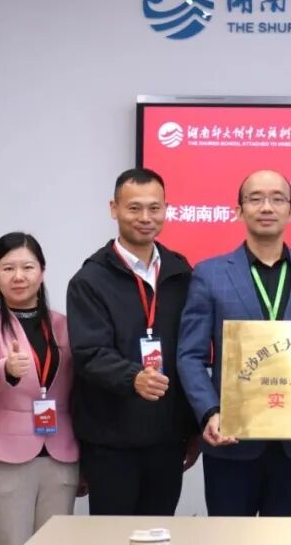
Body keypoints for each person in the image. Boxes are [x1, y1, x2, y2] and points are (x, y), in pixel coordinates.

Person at [177, 169, 291, 516]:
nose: (266, 207)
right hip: (231, 437)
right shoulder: (210, 273)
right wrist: (210, 411)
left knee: (284, 536)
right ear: (239, 210)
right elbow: (190, 355)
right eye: (255, 198)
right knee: (231, 537)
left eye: (277, 199)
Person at [66, 168, 198, 515]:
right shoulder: (90, 279)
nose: (145, 218)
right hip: (111, 440)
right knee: (113, 534)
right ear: (114, 209)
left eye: (154, 208)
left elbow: (191, 351)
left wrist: (193, 426)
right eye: (134, 208)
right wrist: (132, 377)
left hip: (167, 438)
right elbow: (88, 353)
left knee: (159, 532)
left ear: (166, 209)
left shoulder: (180, 273)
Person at [0, 233, 79, 545]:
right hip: (3, 455)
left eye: (28, 267)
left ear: (42, 271)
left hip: (61, 454)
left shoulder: (66, 325)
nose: (19, 276)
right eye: (8, 268)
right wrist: (7, 369)